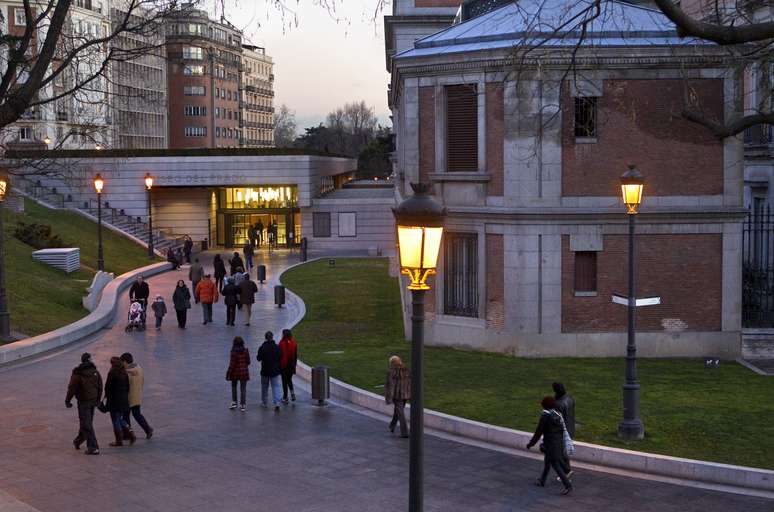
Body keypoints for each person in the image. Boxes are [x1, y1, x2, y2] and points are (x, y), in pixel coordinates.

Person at [526, 396, 572, 495]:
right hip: (557, 443)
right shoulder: (558, 414)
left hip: (550, 444)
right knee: (547, 462)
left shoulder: (545, 416)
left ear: (544, 405)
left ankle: (568, 485)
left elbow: (538, 432)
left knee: (555, 465)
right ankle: (542, 480)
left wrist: (531, 444)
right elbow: (561, 430)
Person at [65, 352, 102, 455]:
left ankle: (93, 447)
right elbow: (100, 386)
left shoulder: (77, 373)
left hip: (83, 402)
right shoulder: (95, 372)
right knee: (86, 423)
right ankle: (78, 441)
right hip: (93, 401)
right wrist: (98, 400)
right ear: (89, 360)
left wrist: (67, 400)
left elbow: (71, 388)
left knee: (86, 423)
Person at [120, 353, 153, 439]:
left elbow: (125, 386)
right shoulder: (139, 368)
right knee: (136, 414)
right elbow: (142, 380)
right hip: (137, 395)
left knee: (125, 416)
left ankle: (128, 434)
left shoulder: (127, 373)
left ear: (125, 361)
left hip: (129, 397)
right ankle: (147, 429)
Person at [104, 356, 136, 447]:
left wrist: (107, 397)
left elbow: (108, 387)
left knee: (115, 419)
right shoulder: (124, 373)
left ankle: (119, 440)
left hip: (114, 401)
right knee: (119, 418)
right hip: (123, 400)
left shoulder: (112, 373)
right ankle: (131, 433)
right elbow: (128, 387)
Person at [384, 355, 410, 438]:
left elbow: (390, 385)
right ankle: (392, 425)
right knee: (398, 411)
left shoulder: (391, 372)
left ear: (391, 363)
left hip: (397, 395)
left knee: (400, 412)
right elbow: (410, 382)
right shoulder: (406, 370)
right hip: (405, 394)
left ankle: (404, 432)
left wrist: (389, 397)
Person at [553, 382, 576, 477]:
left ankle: (566, 471)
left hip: (562, 431)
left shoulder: (558, 404)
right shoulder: (570, 398)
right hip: (570, 427)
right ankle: (566, 470)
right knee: (563, 451)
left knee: (560, 453)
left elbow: (557, 420)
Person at [257, 331, 282, 411]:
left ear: (265, 338)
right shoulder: (277, 347)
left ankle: (264, 402)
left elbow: (258, 358)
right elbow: (280, 356)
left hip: (265, 370)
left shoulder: (262, 347)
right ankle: (277, 403)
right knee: (275, 386)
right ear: (272, 337)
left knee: (264, 386)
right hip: (274, 370)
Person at [226, 336, 250, 411]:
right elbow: (248, 362)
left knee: (234, 387)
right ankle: (243, 405)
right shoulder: (246, 351)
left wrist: (228, 373)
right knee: (243, 388)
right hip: (244, 372)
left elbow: (232, 364)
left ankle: (234, 403)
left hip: (235, 372)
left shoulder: (233, 352)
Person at [279, 329, 298, 404]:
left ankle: (285, 397)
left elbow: (279, 355)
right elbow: (295, 356)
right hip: (291, 365)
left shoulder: (281, 343)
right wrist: (294, 365)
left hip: (284, 365)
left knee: (284, 381)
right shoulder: (294, 343)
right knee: (289, 380)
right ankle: (292, 393)